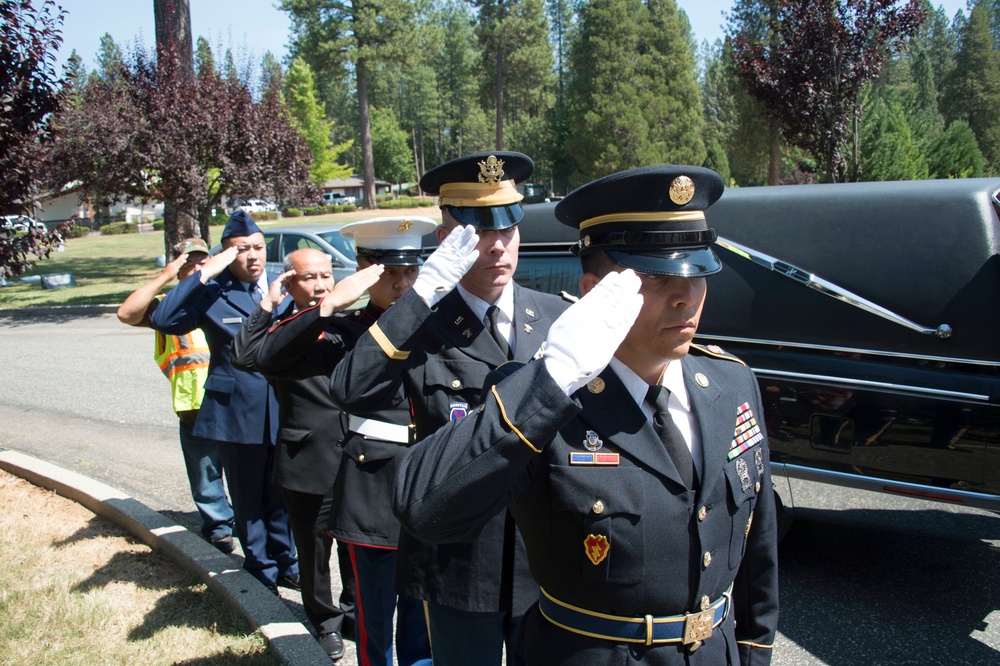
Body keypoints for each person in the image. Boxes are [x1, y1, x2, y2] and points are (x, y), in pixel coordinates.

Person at [393, 165, 780, 665]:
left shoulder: (730, 384)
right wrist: (551, 378)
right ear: (596, 290)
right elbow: (423, 507)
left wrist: (753, 654)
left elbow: (757, 559)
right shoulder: (544, 399)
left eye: (696, 273)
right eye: (656, 278)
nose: (686, 296)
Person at [329, 152, 572, 665]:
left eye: (508, 229)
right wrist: (421, 294)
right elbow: (350, 389)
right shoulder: (422, 324)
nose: (498, 246)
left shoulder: (556, 318)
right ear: (448, 242)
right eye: (479, 232)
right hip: (460, 562)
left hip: (546, 561)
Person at [236, 216, 437, 666]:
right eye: (389, 274)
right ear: (365, 271)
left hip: (428, 482)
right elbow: (262, 357)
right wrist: (328, 307)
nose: (403, 284)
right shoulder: (343, 331)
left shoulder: (435, 327)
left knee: (424, 616)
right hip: (371, 488)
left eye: (411, 272)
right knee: (376, 620)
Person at [230, 247, 383, 661]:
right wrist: (267, 304)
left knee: (356, 545)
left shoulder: (349, 327)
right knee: (314, 550)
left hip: (356, 456)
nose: (320, 285)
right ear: (289, 283)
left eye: (326, 275)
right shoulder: (282, 333)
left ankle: (353, 612)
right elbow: (243, 356)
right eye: (308, 277)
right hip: (307, 458)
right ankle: (324, 621)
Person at [150, 210, 299, 594]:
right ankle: (261, 568)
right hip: (236, 412)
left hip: (284, 407)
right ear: (227, 254)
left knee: (282, 493)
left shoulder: (285, 284)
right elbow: (165, 319)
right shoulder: (215, 291)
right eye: (240, 250)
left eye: (258, 247)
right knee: (248, 497)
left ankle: (288, 563)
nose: (252, 256)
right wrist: (206, 271)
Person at [116, 237, 235, 553]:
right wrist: (164, 277)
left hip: (232, 401)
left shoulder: (222, 296)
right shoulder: (166, 306)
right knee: (205, 472)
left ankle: (248, 523)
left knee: (245, 470)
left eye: (201, 261)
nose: (196, 267)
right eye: (188, 263)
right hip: (193, 406)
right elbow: (126, 313)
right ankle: (219, 526)